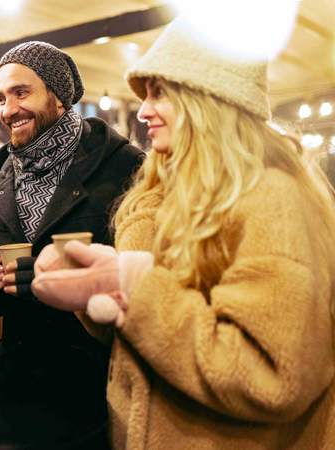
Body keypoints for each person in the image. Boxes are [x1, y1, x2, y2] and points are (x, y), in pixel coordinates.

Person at [31, 18, 335, 450]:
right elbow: (147, 339)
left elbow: (273, 377)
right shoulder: (161, 195)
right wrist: (89, 284)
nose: (141, 110)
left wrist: (131, 287)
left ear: (210, 99)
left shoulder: (271, 198)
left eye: (160, 92)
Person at [0, 40, 143, 429]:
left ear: (58, 96)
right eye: (1, 98)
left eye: (21, 92)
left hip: (97, 387)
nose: (8, 110)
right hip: (17, 384)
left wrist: (51, 280)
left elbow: (149, 277)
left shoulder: (123, 167)